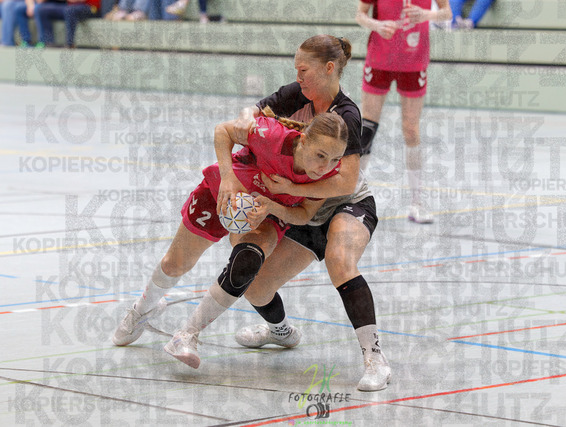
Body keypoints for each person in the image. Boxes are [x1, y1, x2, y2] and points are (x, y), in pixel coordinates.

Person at [112, 108, 349, 370]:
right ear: (303, 140)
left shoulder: (329, 175)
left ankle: (187, 335)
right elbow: (223, 130)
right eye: (320, 155)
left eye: (335, 159)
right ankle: (141, 310)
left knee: (247, 263)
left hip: (265, 213)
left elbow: (304, 214)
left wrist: (271, 207)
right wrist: (227, 177)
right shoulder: (271, 135)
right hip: (223, 193)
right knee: (175, 264)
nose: (325, 166)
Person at [231, 35, 391, 392]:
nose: (298, 76)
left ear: (328, 69)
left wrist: (291, 189)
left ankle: (375, 358)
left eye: (303, 70)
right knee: (256, 286)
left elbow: (346, 181)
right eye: (296, 70)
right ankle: (280, 332)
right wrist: (244, 117)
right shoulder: (298, 95)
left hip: (346, 203)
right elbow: (255, 110)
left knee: (339, 260)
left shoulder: (347, 114)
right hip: (305, 208)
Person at [355, 0, 452, 223]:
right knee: (367, 129)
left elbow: (447, 13)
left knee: (411, 130)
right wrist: (377, 25)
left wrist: (427, 15)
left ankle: (417, 203)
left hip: (414, 61)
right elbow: (360, 15)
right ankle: (352, 197)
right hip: (380, 59)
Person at [33, 0, 100, 47]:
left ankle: (69, 44)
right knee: (41, 10)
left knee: (70, 11)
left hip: (91, 8)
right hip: (69, 7)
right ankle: (48, 43)